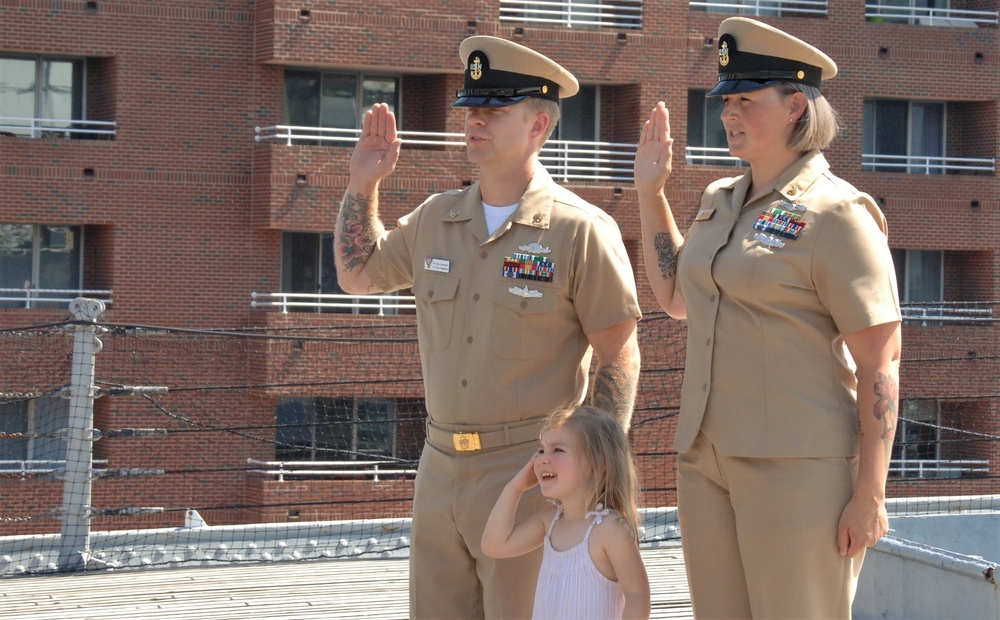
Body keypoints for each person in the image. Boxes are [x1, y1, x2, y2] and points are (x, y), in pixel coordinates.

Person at [334, 35, 642, 619]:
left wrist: (591, 477)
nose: (475, 122)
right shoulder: (435, 219)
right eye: (471, 110)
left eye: (494, 110)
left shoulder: (580, 231)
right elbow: (357, 274)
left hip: (529, 471)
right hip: (439, 467)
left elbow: (619, 355)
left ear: (538, 126)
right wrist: (362, 183)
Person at [633, 17, 902, 619]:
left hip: (798, 469)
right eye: (727, 100)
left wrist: (870, 493)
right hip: (706, 459)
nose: (729, 113)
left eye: (747, 101)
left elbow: (880, 359)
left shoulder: (837, 214)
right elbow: (678, 298)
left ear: (795, 107)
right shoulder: (719, 200)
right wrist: (651, 194)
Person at [482, 406, 650, 620]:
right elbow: (494, 545)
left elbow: (638, 596)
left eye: (558, 450)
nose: (542, 459)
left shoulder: (609, 529)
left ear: (599, 465)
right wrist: (515, 487)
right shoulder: (550, 521)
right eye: (541, 450)